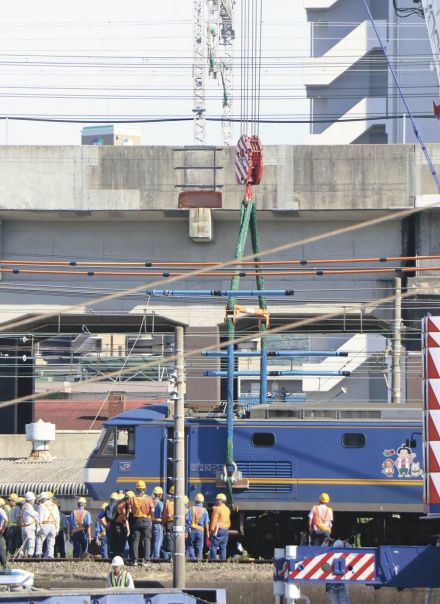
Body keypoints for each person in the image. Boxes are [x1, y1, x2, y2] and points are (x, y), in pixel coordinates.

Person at [129, 481, 153, 565]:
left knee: (135, 541)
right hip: (146, 520)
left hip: (136, 521)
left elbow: (130, 510)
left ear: (136, 489)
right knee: (146, 540)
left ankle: (134, 560)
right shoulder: (149, 498)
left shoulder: (133, 498)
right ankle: (146, 560)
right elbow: (152, 510)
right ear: (144, 489)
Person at [35, 492, 60, 558]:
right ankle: (50, 555)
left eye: (40, 500)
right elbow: (57, 519)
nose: (40, 501)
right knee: (51, 542)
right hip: (53, 526)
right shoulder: (55, 506)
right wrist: (57, 529)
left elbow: (39, 518)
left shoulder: (41, 506)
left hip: (44, 525)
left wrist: (38, 529)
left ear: (43, 499)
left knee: (39, 540)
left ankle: (38, 554)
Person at [325, 539, 350, 604]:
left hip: (331, 585)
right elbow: (351, 549)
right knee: (344, 601)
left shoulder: (329, 555)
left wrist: (325, 543)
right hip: (342, 584)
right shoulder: (345, 555)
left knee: (334, 602)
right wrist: (346, 544)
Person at [186, 493, 210, 561]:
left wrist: (186, 530)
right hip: (200, 531)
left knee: (190, 545)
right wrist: (207, 532)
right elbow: (206, 523)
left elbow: (187, 520)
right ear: (202, 501)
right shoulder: (205, 511)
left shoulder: (191, 509)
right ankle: (199, 558)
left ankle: (192, 558)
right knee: (199, 545)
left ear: (195, 501)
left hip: (192, 530)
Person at [209, 493, 230, 561]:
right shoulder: (227, 509)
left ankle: (213, 560)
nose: (216, 501)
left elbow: (214, 520)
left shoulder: (217, 509)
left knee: (213, 545)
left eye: (217, 500)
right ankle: (223, 560)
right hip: (226, 530)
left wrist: (211, 530)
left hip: (218, 529)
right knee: (223, 546)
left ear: (220, 500)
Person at [110, 492, 131, 560]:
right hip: (119, 525)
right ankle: (119, 558)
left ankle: (116, 557)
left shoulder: (117, 505)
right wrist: (128, 529)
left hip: (116, 525)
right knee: (121, 543)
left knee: (116, 543)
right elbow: (124, 518)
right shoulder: (122, 505)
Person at [101, 492, 120, 559]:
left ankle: (111, 558)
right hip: (117, 527)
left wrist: (106, 525)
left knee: (110, 544)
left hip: (109, 528)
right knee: (118, 543)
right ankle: (117, 557)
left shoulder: (107, 507)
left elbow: (100, 518)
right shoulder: (118, 507)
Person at [20, 491, 39, 558]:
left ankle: (25, 555)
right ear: (30, 499)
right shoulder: (29, 507)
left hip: (24, 528)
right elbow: (35, 514)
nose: (34, 500)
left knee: (25, 543)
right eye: (33, 499)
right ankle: (30, 556)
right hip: (29, 528)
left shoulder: (24, 506)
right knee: (31, 542)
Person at [161, 485, 175, 561]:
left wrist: (163, 523)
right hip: (178, 523)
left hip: (169, 523)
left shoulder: (167, 503)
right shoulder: (181, 502)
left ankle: (171, 556)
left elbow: (164, 515)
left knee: (169, 538)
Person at [151, 486, 164, 560]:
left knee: (152, 541)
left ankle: (152, 556)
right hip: (158, 525)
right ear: (160, 494)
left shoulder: (150, 502)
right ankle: (156, 556)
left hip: (151, 524)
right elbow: (162, 515)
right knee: (157, 541)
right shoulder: (160, 504)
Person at [0, 498, 8, 568]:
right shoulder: (1, 510)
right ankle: (4, 564)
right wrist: (3, 529)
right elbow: (6, 520)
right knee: (1, 548)